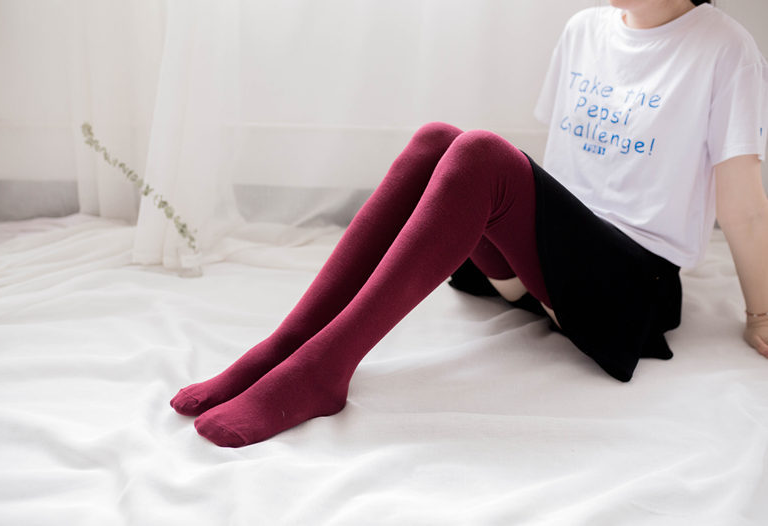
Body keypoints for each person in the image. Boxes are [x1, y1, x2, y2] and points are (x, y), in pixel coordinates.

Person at [171, 0, 768, 448]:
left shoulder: (724, 47)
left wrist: (761, 314)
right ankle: (288, 345)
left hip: (629, 292)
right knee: (437, 141)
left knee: (482, 154)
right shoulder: (585, 29)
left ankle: (324, 370)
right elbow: (571, 168)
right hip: (549, 272)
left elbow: (742, 206)